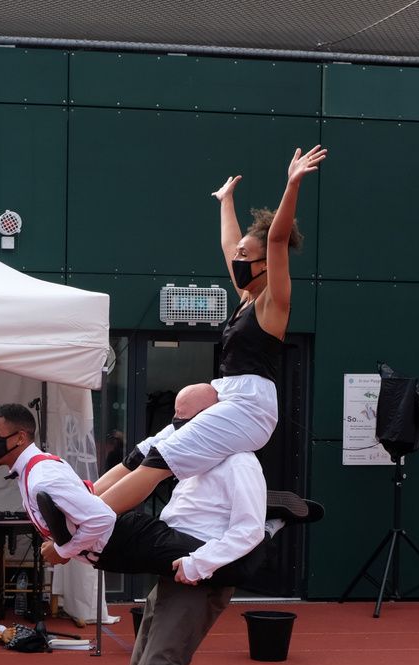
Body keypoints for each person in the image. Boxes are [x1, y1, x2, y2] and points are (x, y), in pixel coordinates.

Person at [97, 144, 327, 517]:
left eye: (244, 257)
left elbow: (277, 239)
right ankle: (84, 500)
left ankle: (89, 520)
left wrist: (293, 185)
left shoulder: (273, 304)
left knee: (161, 460)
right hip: (228, 396)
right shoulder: (245, 298)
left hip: (252, 405)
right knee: (149, 447)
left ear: (266, 265)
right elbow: (227, 242)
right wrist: (225, 202)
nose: (235, 260)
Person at [0, 400, 299, 589]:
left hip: (127, 539)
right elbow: (93, 494)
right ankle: (258, 513)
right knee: (138, 463)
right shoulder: (35, 471)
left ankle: (269, 521)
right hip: (113, 550)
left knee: (234, 569)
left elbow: (101, 517)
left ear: (20, 437)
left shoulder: (41, 476)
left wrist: (63, 551)